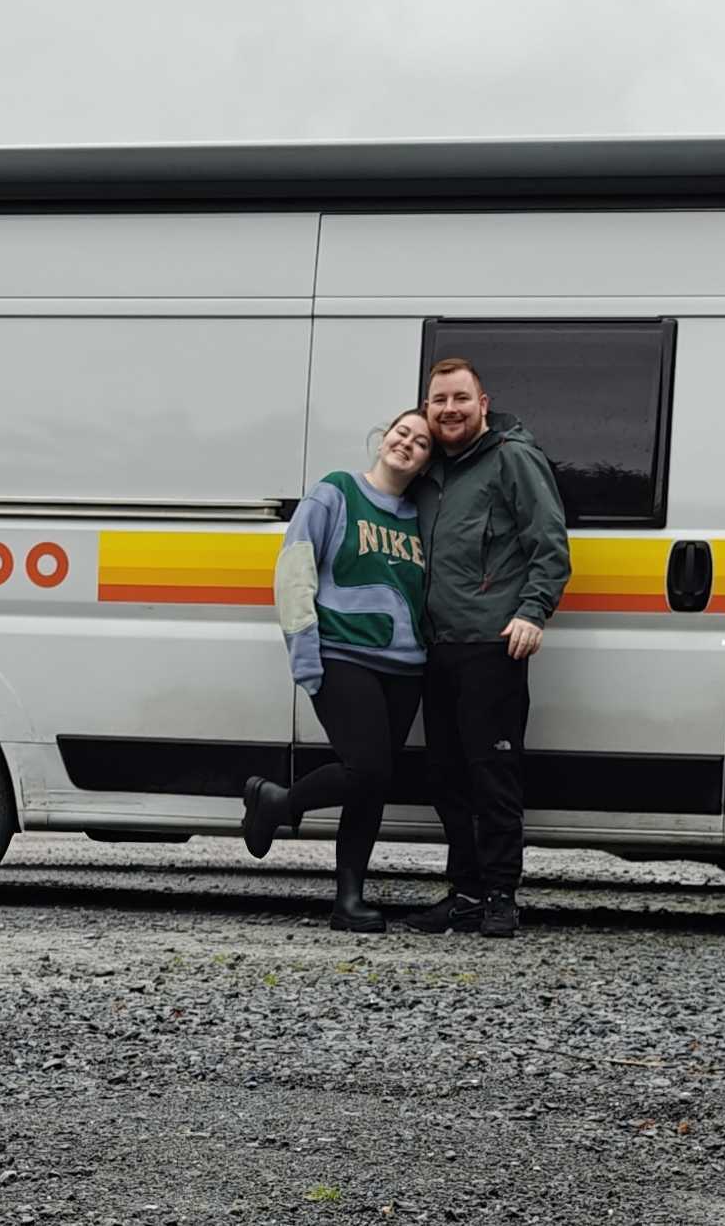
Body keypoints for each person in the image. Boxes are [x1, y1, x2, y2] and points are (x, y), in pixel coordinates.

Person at [238, 410, 435, 932]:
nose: (407, 444)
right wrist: (304, 654)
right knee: (366, 768)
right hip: (343, 655)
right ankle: (277, 801)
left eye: (421, 443)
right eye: (402, 433)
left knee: (374, 784)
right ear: (382, 437)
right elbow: (295, 568)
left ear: (427, 462)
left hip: (406, 668)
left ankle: (348, 900)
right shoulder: (335, 492)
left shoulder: (420, 515)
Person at [399, 357, 569, 939]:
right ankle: (465, 893)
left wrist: (532, 612)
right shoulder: (430, 473)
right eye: (439, 400)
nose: (449, 410)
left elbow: (549, 544)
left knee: (492, 775)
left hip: (492, 646)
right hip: (437, 649)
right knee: (447, 779)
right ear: (428, 408)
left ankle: (501, 894)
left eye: (460, 399)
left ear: (484, 403)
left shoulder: (512, 459)